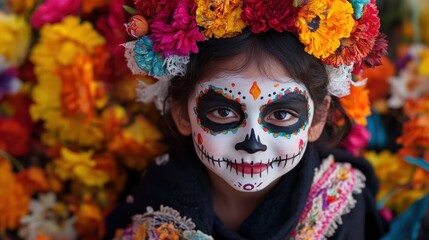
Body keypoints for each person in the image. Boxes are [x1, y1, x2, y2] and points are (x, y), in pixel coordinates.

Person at [106, 0, 388, 239]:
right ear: (182, 113)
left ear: (318, 118)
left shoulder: (339, 201)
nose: (252, 143)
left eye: (280, 114)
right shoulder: (156, 202)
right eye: (223, 112)